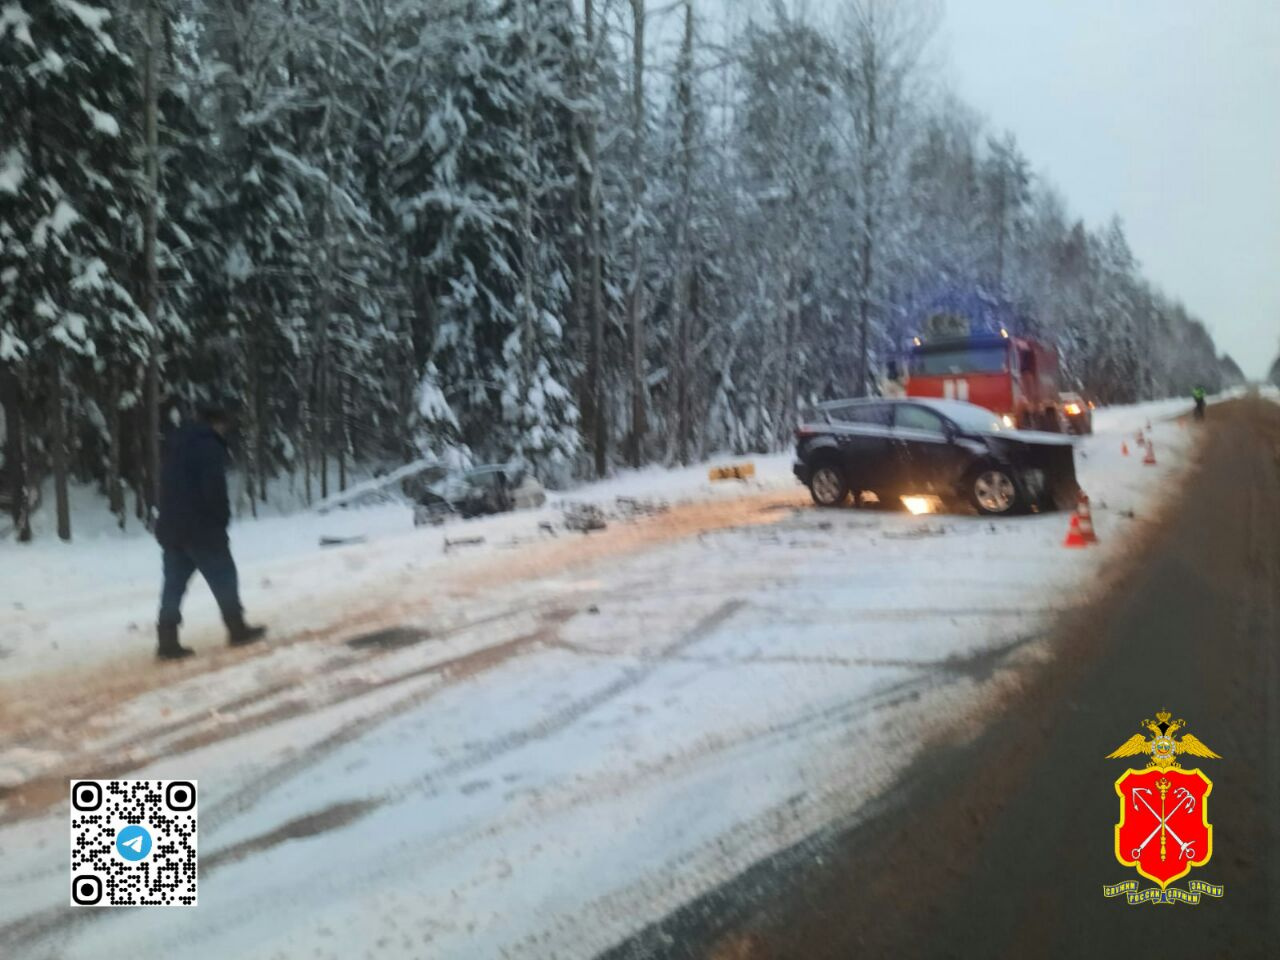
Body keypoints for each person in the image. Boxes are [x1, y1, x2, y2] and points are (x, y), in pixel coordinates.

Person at [154, 405, 266, 660]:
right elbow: (213, 488)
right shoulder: (209, 446)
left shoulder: (175, 444)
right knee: (224, 576)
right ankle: (236, 628)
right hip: (201, 528)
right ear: (219, 423)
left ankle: (166, 640)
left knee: (173, 585)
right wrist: (221, 518)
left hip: (171, 527)